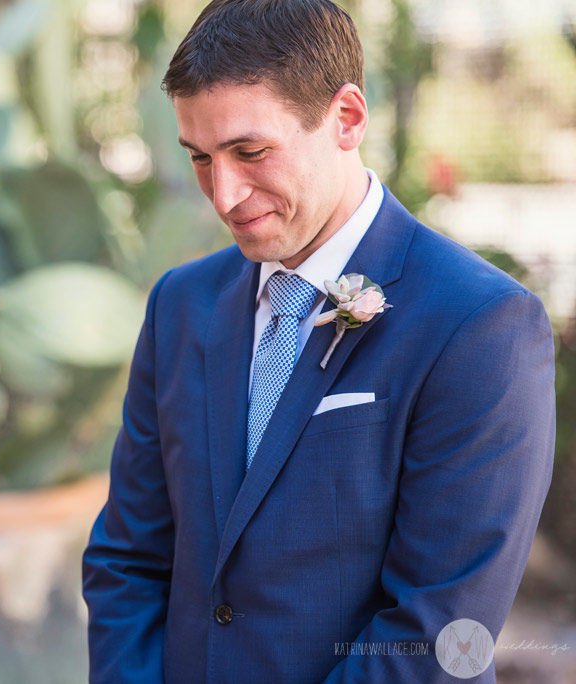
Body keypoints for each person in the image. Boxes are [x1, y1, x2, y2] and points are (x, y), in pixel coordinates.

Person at [81, 1, 555, 682]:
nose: (224, 194)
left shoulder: (481, 326)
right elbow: (128, 558)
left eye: (250, 152)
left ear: (347, 118)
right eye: (200, 159)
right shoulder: (180, 306)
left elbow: (440, 629)